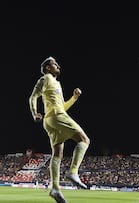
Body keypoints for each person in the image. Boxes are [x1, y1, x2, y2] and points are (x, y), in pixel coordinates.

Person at [29, 56, 90, 203]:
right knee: (84, 140)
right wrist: (34, 113)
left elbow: (63, 106)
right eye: (55, 64)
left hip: (51, 120)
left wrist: (74, 98)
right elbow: (33, 97)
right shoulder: (45, 78)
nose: (58, 66)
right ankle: (73, 172)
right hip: (57, 117)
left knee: (57, 154)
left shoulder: (56, 83)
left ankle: (55, 188)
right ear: (48, 68)